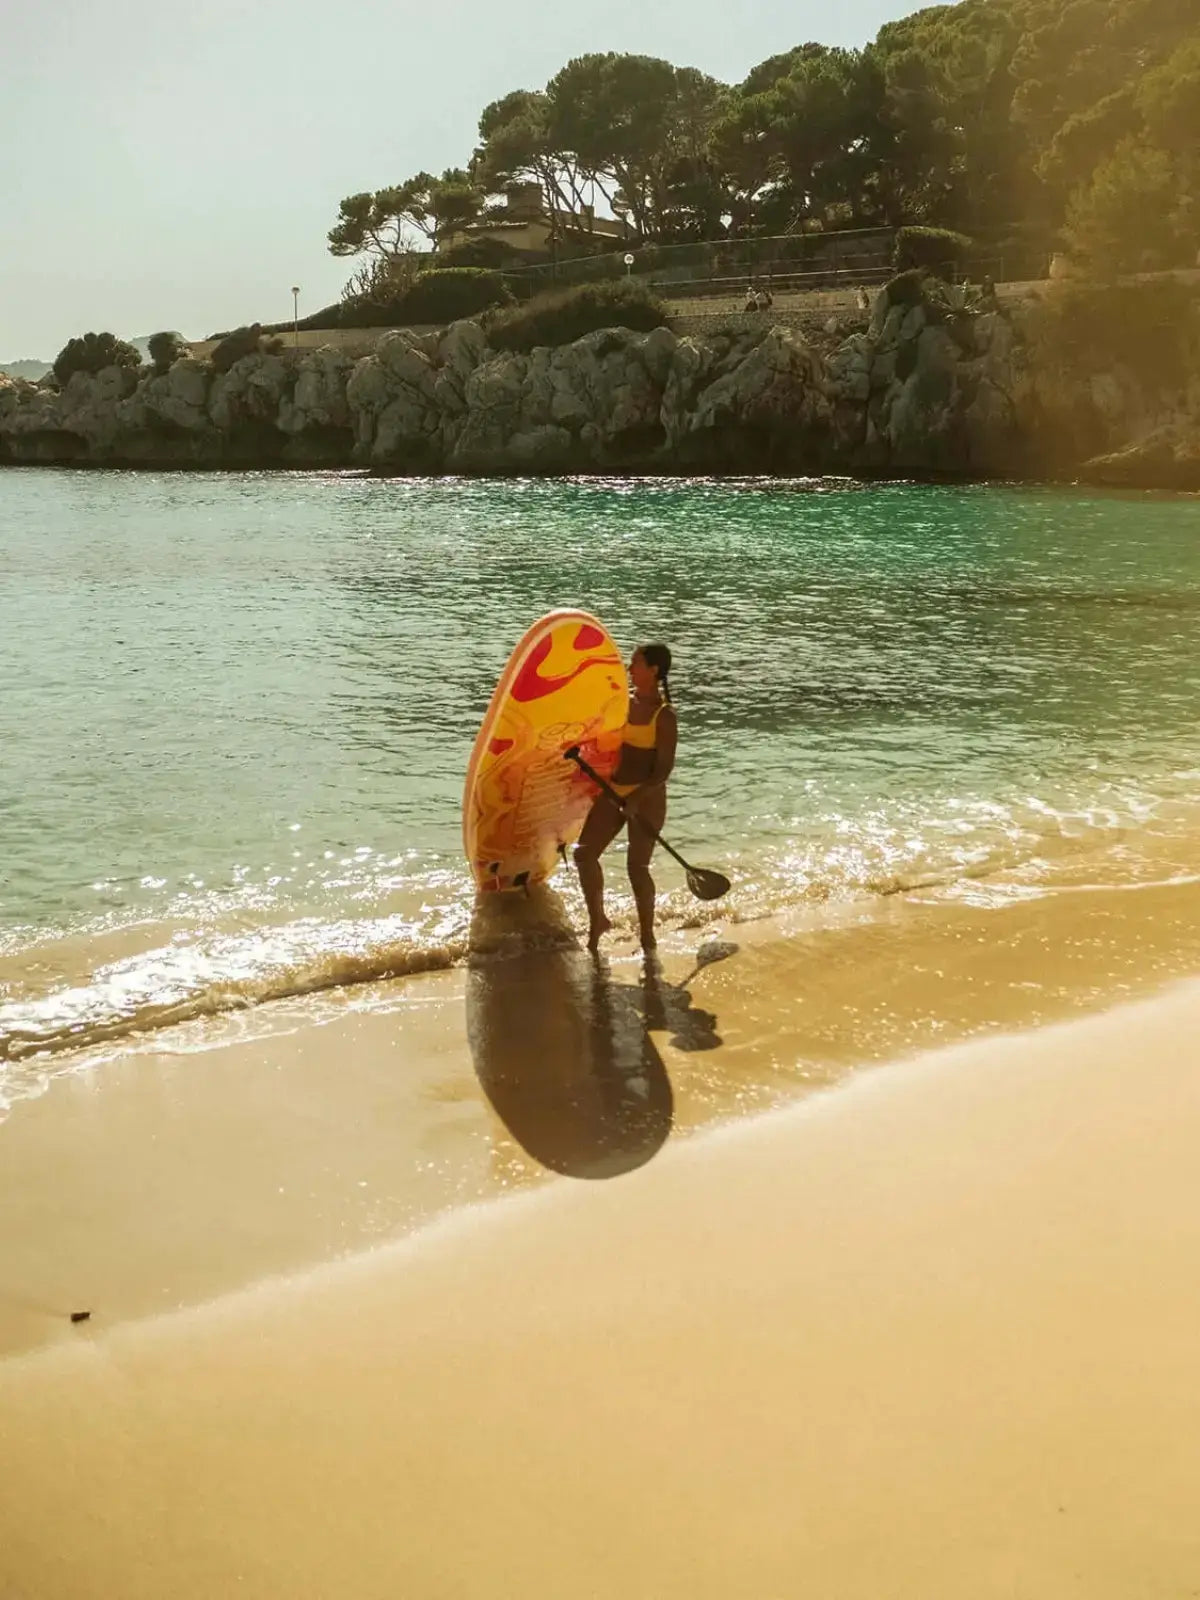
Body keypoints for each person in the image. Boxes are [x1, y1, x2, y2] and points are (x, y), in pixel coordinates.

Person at [575, 644, 677, 952]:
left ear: (654, 671)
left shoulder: (664, 716)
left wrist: (638, 797)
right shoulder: (622, 703)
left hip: (648, 797)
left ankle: (647, 934)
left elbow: (663, 770)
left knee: (637, 867)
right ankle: (599, 921)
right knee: (584, 854)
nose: (629, 670)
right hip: (614, 789)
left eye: (635, 664)